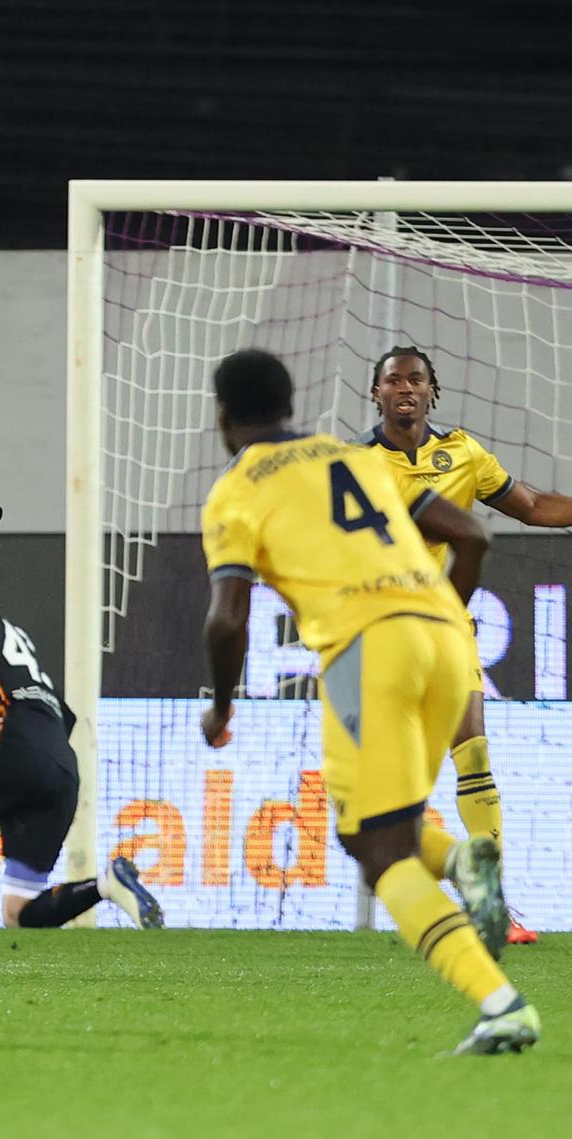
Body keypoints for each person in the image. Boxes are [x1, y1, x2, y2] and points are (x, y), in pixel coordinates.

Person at [200, 348, 536, 1054]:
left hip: (366, 651)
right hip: (448, 637)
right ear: (291, 405)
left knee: (380, 851)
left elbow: (228, 619)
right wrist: (438, 616)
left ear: (224, 417)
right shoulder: (354, 460)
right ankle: (464, 861)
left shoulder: (234, 492)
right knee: (375, 828)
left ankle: (500, 1002)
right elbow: (471, 534)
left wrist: (222, 710)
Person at [364, 345, 572, 947]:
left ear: (434, 392)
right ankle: (419, 890)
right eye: (393, 380)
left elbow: (531, 506)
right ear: (375, 394)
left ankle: (494, 908)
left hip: (448, 627)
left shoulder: (463, 453)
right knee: (389, 787)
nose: (405, 388)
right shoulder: (354, 466)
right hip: (382, 632)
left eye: (416, 379)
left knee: (474, 752)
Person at [0, 541, 162, 931]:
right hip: (62, 768)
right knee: (19, 914)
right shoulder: (4, 626)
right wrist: (21, 783)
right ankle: (107, 885)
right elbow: (68, 716)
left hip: (17, 747)